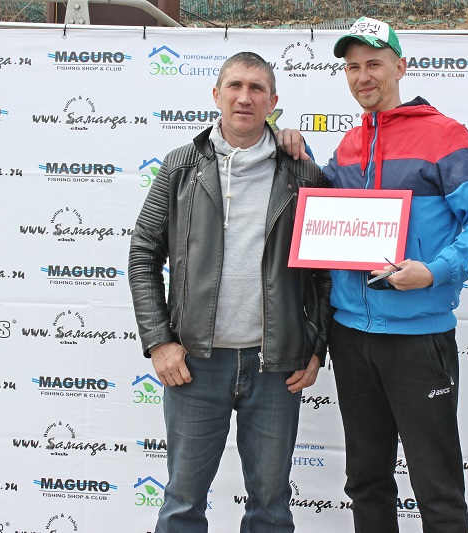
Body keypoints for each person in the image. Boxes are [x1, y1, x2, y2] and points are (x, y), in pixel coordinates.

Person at [279, 17, 468, 533]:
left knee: (437, 489)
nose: (363, 76)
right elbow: (326, 218)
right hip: (351, 336)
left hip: (418, 339)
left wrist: (434, 271)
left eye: (374, 64)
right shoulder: (348, 144)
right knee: (366, 482)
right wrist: (297, 151)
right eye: (352, 67)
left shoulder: (444, 135)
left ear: (400, 67)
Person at [128, 51, 332, 533]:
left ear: (273, 102)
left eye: (257, 88)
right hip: (195, 366)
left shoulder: (302, 173)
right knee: (182, 504)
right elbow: (143, 255)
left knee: (271, 509)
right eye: (235, 86)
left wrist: (316, 346)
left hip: (275, 368)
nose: (245, 97)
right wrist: (158, 341)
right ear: (216, 95)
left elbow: (324, 271)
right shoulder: (180, 167)